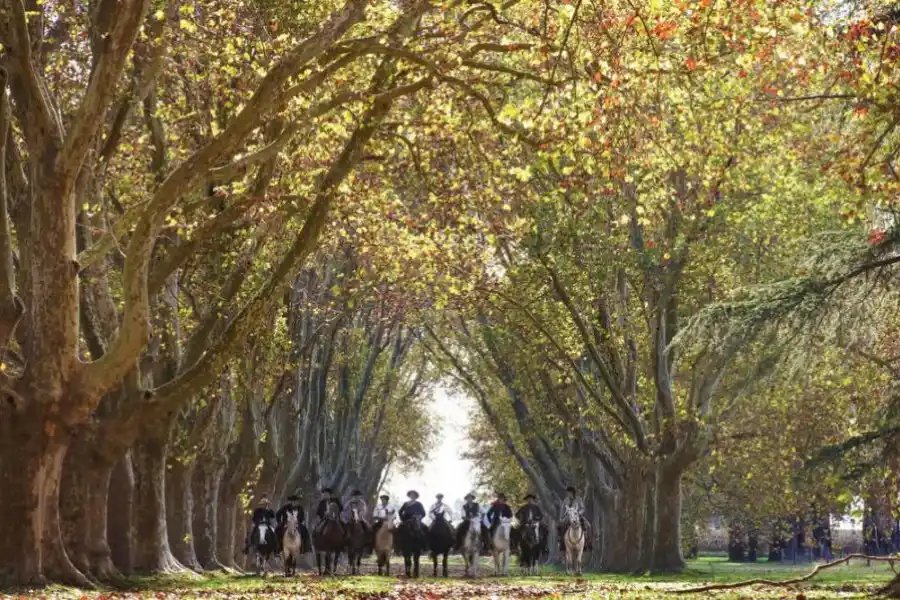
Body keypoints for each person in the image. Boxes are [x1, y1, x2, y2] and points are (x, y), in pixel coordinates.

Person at [558, 486, 590, 550]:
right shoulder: (565, 500)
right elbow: (562, 510)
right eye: (567, 493)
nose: (568, 494)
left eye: (569, 493)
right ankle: (561, 541)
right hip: (568, 516)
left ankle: (587, 542)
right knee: (560, 526)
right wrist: (561, 518)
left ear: (572, 493)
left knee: (588, 525)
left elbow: (583, 508)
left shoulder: (579, 499)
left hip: (577, 516)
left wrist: (579, 513)